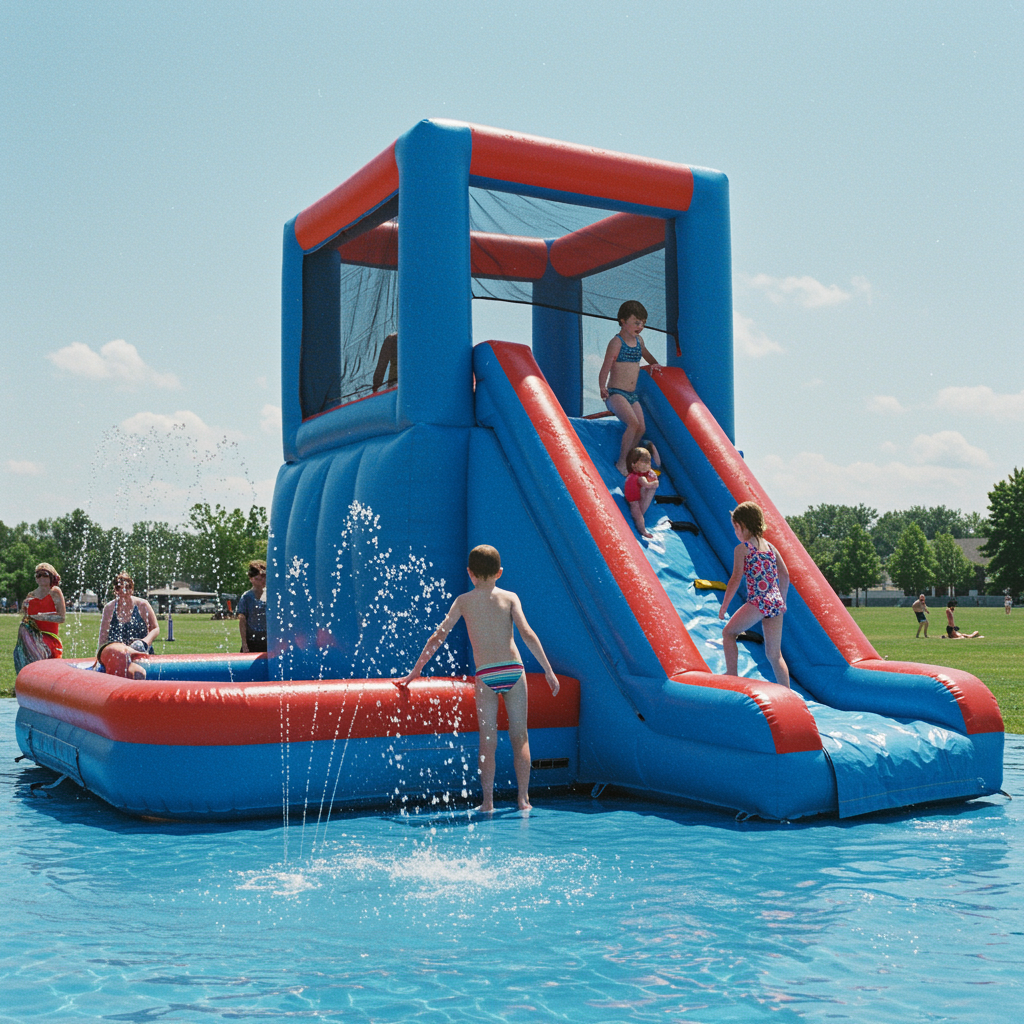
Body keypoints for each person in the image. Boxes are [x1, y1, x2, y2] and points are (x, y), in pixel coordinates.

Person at [396, 544, 560, 812]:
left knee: (488, 740)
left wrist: (416, 671)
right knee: (520, 737)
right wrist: (548, 670)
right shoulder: (510, 598)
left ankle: (487, 802)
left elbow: (438, 635)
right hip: (513, 670)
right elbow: (527, 633)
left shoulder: (463, 601)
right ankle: (523, 800)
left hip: (486, 674)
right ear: (500, 572)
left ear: (470, 573)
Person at [719, 501, 791, 688]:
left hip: (759, 601)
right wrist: (782, 600)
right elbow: (785, 574)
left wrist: (724, 606)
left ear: (743, 525)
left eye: (735, 527)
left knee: (728, 633)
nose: (735, 531)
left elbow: (735, 579)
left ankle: (732, 675)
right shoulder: (770, 547)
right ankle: (787, 692)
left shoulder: (743, 549)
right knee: (774, 655)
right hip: (774, 601)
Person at [597, 300, 661, 476]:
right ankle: (621, 463)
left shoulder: (639, 341)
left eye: (643, 323)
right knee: (633, 423)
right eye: (636, 322)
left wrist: (655, 364)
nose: (640, 327)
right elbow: (606, 367)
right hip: (616, 393)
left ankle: (628, 460)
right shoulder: (616, 343)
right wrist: (602, 387)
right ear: (623, 321)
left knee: (641, 428)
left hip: (631, 395)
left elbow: (647, 355)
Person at [98, 573, 160, 653]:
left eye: (127, 588)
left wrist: (144, 642)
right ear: (114, 590)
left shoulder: (142, 605)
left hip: (141, 653)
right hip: (117, 655)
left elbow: (155, 628)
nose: (123, 591)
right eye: (118, 588)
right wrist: (99, 656)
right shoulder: (109, 608)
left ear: (132, 589)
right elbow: (103, 637)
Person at [19, 563, 66, 660]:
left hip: (50, 637)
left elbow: (62, 618)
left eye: (45, 574)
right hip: (33, 636)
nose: (41, 577)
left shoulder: (54, 591)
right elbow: (25, 617)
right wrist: (23, 609)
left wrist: (42, 617)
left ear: (51, 576)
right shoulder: (31, 595)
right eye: (38, 575)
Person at [624, 446, 659, 538]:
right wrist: (655, 483)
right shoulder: (640, 478)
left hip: (632, 494)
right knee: (638, 516)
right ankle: (642, 531)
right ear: (634, 464)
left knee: (640, 497)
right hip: (633, 500)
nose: (648, 466)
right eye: (644, 463)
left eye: (648, 463)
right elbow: (647, 485)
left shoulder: (637, 473)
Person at [238, 560, 267, 653]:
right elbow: (242, 621)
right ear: (251, 579)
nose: (263, 580)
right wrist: (244, 644)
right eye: (259, 578)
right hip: (252, 642)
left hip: (268, 641)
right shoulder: (246, 597)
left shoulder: (271, 595)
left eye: (264, 577)